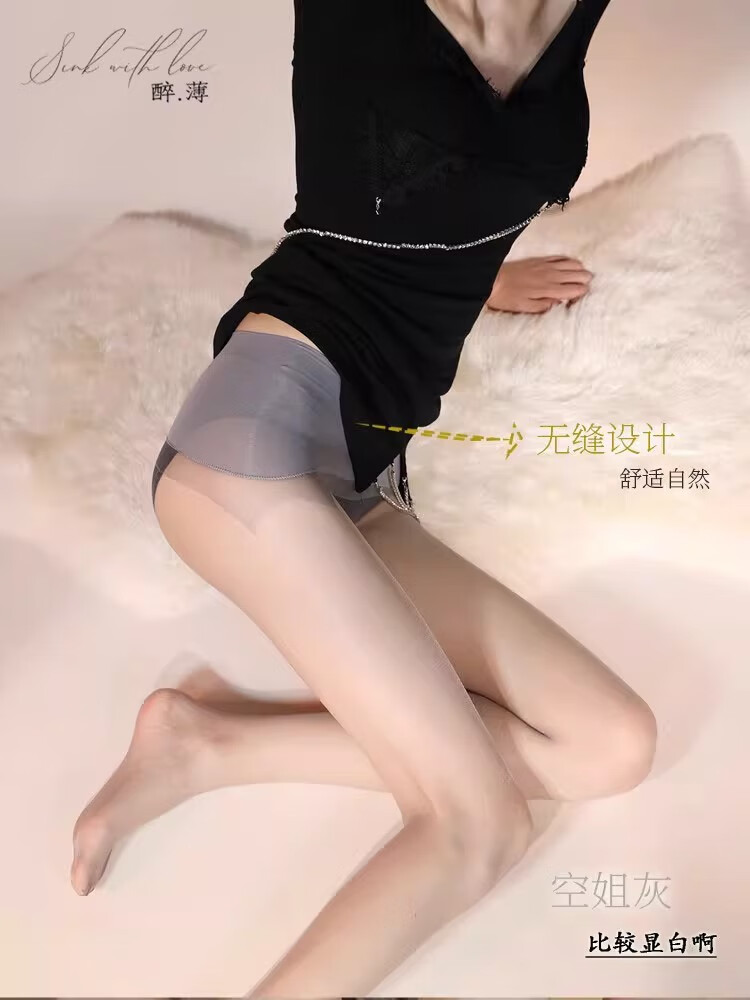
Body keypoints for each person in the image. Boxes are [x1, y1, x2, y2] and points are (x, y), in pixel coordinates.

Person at [71, 2, 656, 997]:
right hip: (248, 449)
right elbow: (367, 175)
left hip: (360, 471)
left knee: (613, 746)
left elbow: (454, 177)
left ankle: (206, 742)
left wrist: (479, 278)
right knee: (475, 826)